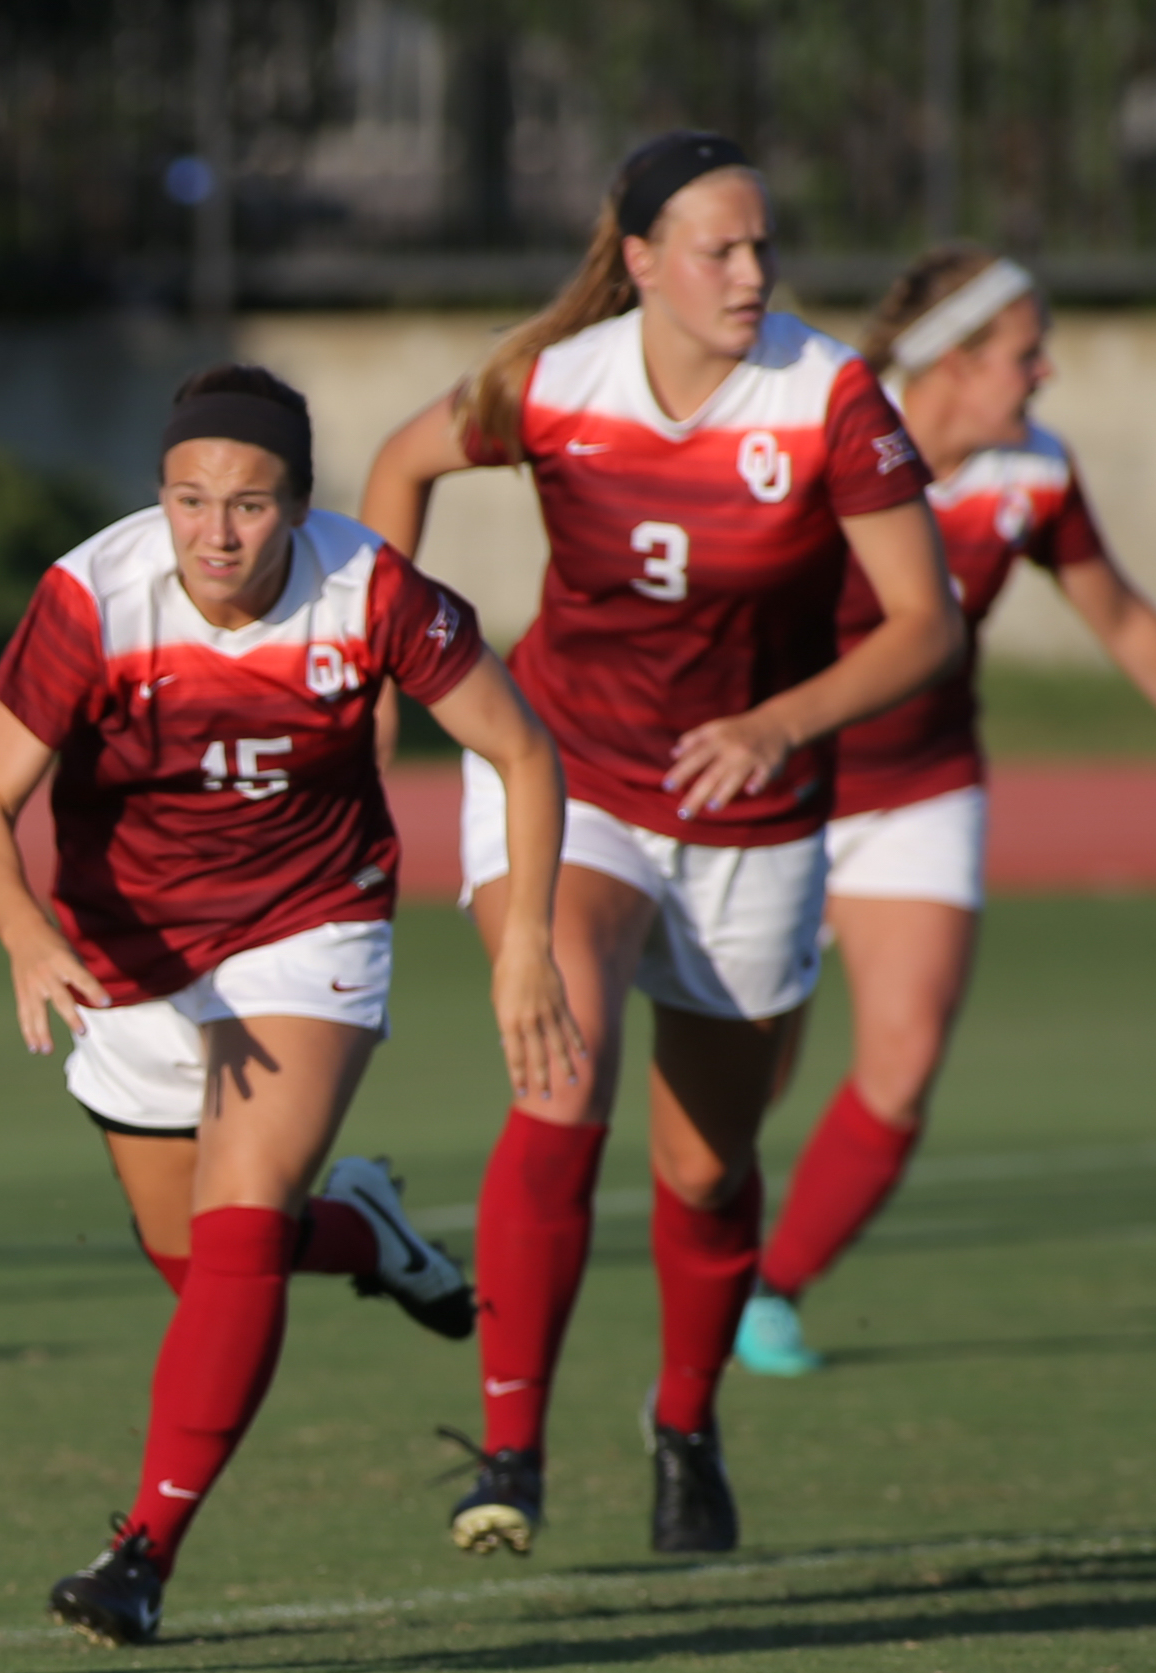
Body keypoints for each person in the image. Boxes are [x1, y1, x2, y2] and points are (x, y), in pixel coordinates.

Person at [361, 132, 963, 1558]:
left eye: (763, 247)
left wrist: (781, 723)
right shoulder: (555, 381)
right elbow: (397, 466)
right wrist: (381, 693)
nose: (752, 273)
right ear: (640, 262)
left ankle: (685, 1421)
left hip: (755, 820)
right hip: (568, 778)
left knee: (703, 1166)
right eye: (719, 249)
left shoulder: (828, 396)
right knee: (561, 1078)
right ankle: (511, 1450)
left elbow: (926, 624)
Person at [0, 364, 579, 1643]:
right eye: (189, 498)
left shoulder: (371, 590)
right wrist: (24, 933)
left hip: (311, 925)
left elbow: (521, 749)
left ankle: (141, 1553)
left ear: (298, 504)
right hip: (127, 946)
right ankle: (367, 1233)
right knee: (194, 1261)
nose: (217, 532)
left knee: (238, 1236)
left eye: (248, 503)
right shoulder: (93, 593)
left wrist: (526, 941)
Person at [734, 247, 1156, 1377]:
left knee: (904, 1062)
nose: (1044, 373)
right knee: (744, 1078)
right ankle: (705, 1255)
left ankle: (772, 1290)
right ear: (954, 364)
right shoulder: (820, 442)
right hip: (780, 792)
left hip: (922, 787)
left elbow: (1123, 616)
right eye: (1025, 353)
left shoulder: (1035, 473)